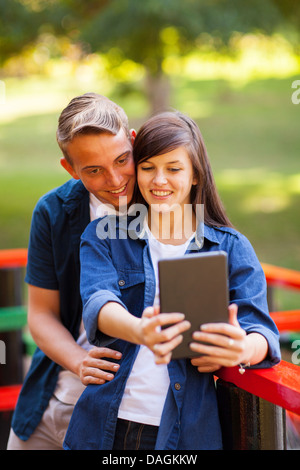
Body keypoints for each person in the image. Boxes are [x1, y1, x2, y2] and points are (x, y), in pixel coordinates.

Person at [63, 111, 281, 450]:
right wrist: (140, 330)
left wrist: (242, 349)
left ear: (195, 175)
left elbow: (263, 333)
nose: (159, 180)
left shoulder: (231, 247)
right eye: (148, 167)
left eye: (174, 169)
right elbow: (98, 301)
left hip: (185, 433)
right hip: (103, 425)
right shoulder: (103, 235)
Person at [7, 93, 137, 450]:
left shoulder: (164, 207)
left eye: (122, 160)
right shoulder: (53, 211)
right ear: (70, 169)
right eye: (93, 170)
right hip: (51, 397)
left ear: (133, 141)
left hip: (122, 412)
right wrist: (79, 362)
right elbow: (41, 314)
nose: (114, 180)